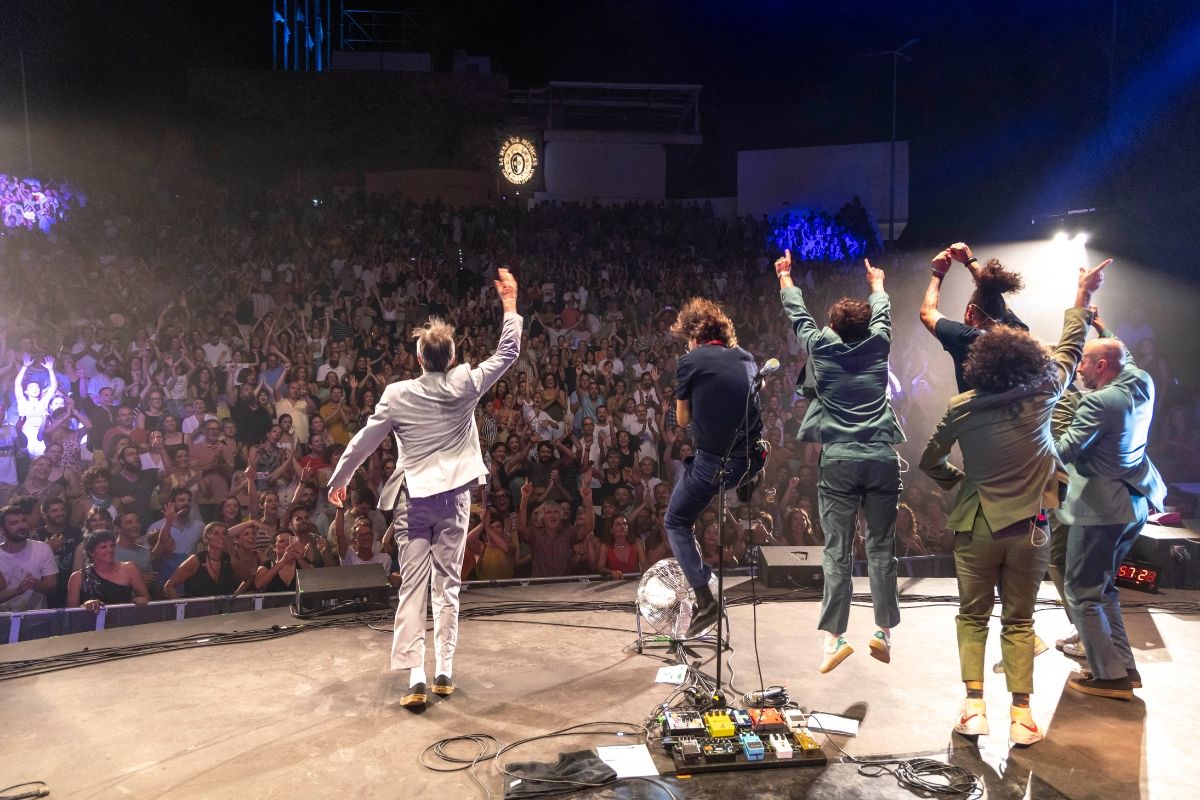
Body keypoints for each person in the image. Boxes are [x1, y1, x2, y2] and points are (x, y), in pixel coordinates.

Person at [920, 258, 1107, 744]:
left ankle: (974, 709)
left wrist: (960, 480)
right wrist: (1083, 295)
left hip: (977, 526)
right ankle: (1022, 717)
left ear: (978, 366)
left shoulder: (961, 407)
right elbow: (1069, 350)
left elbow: (929, 460)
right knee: (1021, 621)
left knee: (972, 617)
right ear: (1026, 361)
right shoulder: (1044, 393)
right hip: (1031, 528)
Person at [327, 268, 522, 711]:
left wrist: (340, 479)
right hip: (453, 500)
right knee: (447, 585)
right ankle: (444, 671)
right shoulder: (466, 382)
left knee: (413, 587)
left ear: (419, 359)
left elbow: (365, 440)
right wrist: (509, 304)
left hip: (413, 501)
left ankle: (417, 676)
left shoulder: (397, 393)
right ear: (451, 358)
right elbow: (508, 352)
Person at [776, 251, 904, 672]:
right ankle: (883, 632)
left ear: (832, 326)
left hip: (840, 462)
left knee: (837, 551)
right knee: (881, 548)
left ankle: (834, 639)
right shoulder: (879, 343)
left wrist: (785, 276)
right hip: (881, 457)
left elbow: (799, 316)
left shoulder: (821, 348)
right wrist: (877, 284)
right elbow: (883, 312)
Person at [1055, 324, 1167, 700]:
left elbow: (1064, 451)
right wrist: (1102, 325)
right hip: (1134, 504)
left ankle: (1109, 677)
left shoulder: (1099, 402)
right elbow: (1127, 356)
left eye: (1084, 362)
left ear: (1101, 365)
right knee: (1102, 590)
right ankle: (1123, 668)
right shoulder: (1142, 382)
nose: (1078, 368)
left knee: (1082, 592)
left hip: (1101, 510)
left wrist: (1030, 434)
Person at [661, 296, 764, 639]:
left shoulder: (689, 360)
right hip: (748, 460)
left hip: (713, 466)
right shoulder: (746, 357)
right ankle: (752, 476)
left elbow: (682, 420)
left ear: (694, 335)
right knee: (747, 448)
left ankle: (706, 600)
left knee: (676, 521)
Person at [66, 530, 150, 611]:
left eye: (112, 546)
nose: (110, 550)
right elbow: (70, 613)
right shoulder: (77, 577)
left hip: (124, 619)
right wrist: (85, 607)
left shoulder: (130, 568)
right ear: (91, 552)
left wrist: (141, 599)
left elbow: (146, 597)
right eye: (104, 547)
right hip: (91, 621)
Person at [0, 504, 59, 611]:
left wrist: (36, 585)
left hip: (36, 617)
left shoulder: (43, 549)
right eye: (14, 523)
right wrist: (18, 590)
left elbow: (52, 587)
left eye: (23, 520)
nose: (22, 526)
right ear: (2, 530)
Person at [162, 522, 240, 598]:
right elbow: (169, 586)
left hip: (224, 607)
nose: (221, 536)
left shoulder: (229, 559)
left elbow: (246, 578)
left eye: (224, 534)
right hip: (197, 606)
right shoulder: (195, 561)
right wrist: (181, 606)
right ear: (206, 538)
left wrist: (236, 598)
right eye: (216, 533)